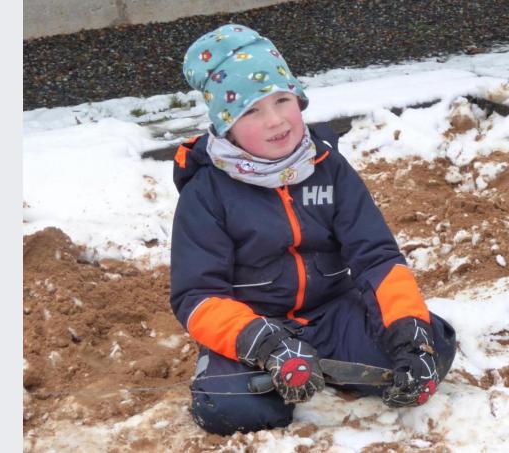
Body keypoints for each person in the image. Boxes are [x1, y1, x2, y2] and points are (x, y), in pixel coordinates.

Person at [170, 23, 457, 435]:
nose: (275, 121)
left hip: (333, 314)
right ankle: (271, 368)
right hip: (258, 327)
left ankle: (326, 364)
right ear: (226, 124)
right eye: (252, 110)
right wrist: (260, 340)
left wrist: (408, 329)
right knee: (231, 406)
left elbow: (377, 257)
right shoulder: (206, 192)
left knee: (430, 348)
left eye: (282, 100)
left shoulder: (329, 168)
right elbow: (197, 296)